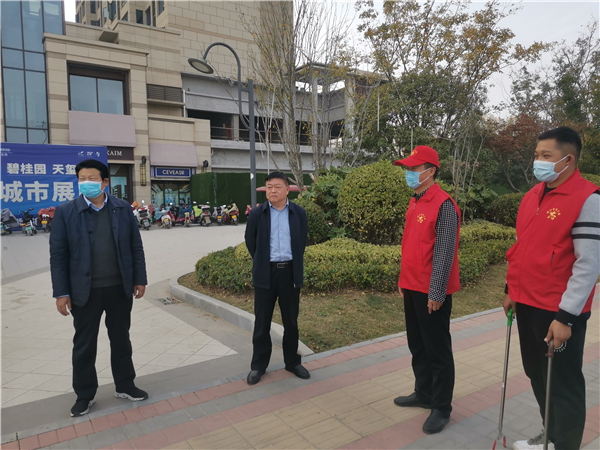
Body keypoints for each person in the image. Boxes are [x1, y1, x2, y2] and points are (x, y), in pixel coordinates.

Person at [503, 127, 599, 450]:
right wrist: (510, 289)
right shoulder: (533, 195)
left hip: (558, 311)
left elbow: (588, 265)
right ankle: (550, 436)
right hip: (527, 303)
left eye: (547, 156)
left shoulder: (588, 199)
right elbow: (522, 247)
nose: (538, 161)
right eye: (536, 155)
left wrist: (566, 317)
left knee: (563, 383)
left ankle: (566, 444)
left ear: (568, 160)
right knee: (537, 374)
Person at [50, 159, 148, 417]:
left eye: (92, 178)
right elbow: (58, 256)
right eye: (81, 179)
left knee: (121, 339)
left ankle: (125, 385)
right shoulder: (66, 212)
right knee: (84, 344)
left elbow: (135, 246)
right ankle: (84, 395)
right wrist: (61, 292)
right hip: (84, 292)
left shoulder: (122, 208)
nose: (86, 183)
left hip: (119, 288)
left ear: (105, 182)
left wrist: (140, 279)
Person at [393, 145, 461, 434]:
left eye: (413, 168)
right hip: (412, 285)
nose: (408, 173)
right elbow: (411, 245)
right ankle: (423, 393)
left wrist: (437, 292)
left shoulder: (444, 205)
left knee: (437, 349)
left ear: (431, 171)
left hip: (431, 291)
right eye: (407, 169)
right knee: (418, 344)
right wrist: (403, 280)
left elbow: (444, 252)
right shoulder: (416, 200)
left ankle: (441, 407)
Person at [244, 172, 309, 385]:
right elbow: (250, 242)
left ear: (287, 189)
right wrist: (263, 261)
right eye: (269, 186)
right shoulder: (257, 214)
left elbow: (302, 241)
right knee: (262, 322)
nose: (273, 190)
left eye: (277, 186)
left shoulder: (298, 213)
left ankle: (292, 362)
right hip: (266, 273)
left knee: (291, 321)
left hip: (290, 273)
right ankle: (258, 366)